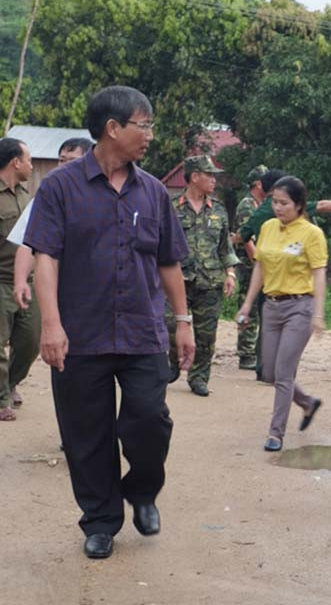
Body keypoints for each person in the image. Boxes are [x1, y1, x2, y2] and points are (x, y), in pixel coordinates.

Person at [24, 85, 195, 560]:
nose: (150, 135)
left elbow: (168, 263)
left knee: (149, 420)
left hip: (141, 331)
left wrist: (183, 321)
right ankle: (100, 520)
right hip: (81, 332)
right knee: (87, 433)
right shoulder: (60, 187)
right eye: (145, 125)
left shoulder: (155, 191)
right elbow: (47, 257)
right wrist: (52, 325)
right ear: (113, 128)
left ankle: (141, 489)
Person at [236, 176, 327, 452]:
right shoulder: (267, 228)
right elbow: (260, 268)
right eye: (274, 202)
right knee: (269, 373)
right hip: (271, 307)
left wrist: (318, 314)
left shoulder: (312, 234)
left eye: (284, 203)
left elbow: (319, 274)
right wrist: (247, 305)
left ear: (299, 205)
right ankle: (308, 402)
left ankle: (276, 434)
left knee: (284, 373)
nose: (278, 208)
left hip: (300, 307)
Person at [7, 137, 92, 415]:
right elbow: (27, 243)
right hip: (61, 296)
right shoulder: (50, 195)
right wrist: (21, 280)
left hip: (104, 300)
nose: (63, 167)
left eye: (72, 161)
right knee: (69, 364)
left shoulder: (114, 193)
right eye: (61, 161)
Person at [166, 155, 239, 396]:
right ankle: (172, 364)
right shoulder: (171, 206)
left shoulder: (218, 209)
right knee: (169, 326)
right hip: (177, 281)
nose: (213, 180)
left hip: (209, 282)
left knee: (207, 336)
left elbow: (225, 247)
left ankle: (198, 377)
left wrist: (230, 273)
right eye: (209, 175)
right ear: (194, 176)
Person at [0, 137, 38, 422]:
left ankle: (11, 381)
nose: (31, 164)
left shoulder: (28, 196)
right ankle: (2, 397)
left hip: (28, 281)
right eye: (28, 159)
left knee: (31, 341)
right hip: (0, 281)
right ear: (15, 161)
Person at [232, 164, 268, 370]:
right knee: (250, 306)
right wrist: (258, 263)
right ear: (258, 184)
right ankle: (246, 354)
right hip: (250, 265)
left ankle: (256, 352)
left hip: (261, 264)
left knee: (260, 308)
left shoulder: (263, 205)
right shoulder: (247, 205)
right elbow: (247, 239)